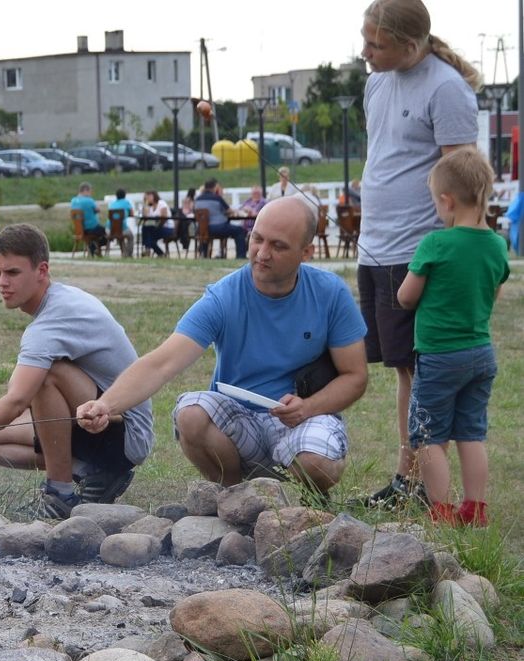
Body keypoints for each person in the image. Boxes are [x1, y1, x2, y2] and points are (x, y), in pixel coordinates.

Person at [77, 197, 368, 498]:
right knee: (190, 414)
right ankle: (235, 497)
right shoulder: (224, 296)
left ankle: (310, 497)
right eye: (257, 239)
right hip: (239, 419)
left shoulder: (330, 293)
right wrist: (105, 405)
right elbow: (162, 363)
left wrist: (308, 407)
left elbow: (355, 377)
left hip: (303, 415)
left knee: (316, 463)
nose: (262, 254)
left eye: (278, 246)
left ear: (306, 252)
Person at [0, 224, 154, 519]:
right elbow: (15, 399)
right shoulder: (58, 301)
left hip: (125, 435)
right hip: (94, 418)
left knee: (46, 377)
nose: (2, 282)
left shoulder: (52, 320)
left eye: (12, 273)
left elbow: (18, 400)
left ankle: (60, 494)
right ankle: (91, 472)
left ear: (42, 270)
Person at [356, 0, 480, 508]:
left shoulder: (446, 89)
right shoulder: (376, 82)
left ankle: (422, 487)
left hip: (420, 252)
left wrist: (458, 253)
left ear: (411, 45)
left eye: (375, 44)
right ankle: (408, 481)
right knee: (405, 369)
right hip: (376, 248)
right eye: (364, 38)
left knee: (429, 372)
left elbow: (464, 184)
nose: (364, 52)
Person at [395, 148, 509, 526]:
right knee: (471, 433)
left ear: (446, 200)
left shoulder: (435, 245)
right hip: (480, 354)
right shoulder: (496, 245)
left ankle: (441, 511)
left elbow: (406, 296)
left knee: (427, 436)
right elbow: (493, 292)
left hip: (440, 356)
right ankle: (475, 510)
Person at [194, 178, 247, 258]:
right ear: (215, 187)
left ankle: (204, 255)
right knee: (239, 230)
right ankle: (241, 256)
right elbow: (229, 211)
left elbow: (196, 212)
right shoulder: (217, 198)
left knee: (205, 233)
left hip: (203, 230)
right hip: (219, 228)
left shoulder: (197, 200)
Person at [70, 183, 106, 255]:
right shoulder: (89, 200)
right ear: (85, 190)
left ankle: (92, 246)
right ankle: (96, 248)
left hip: (79, 230)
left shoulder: (73, 201)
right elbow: (97, 210)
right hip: (91, 228)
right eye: (90, 191)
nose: (90, 193)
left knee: (100, 232)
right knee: (105, 232)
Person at [138, 190, 173, 257]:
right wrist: (145, 204)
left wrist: (157, 226)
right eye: (146, 197)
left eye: (149, 196)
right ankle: (160, 254)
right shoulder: (149, 207)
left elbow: (164, 217)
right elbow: (146, 218)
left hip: (166, 227)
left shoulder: (161, 203)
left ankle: (150, 250)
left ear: (154, 196)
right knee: (146, 230)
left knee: (147, 234)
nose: (147, 198)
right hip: (154, 228)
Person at [105, 188, 135, 257]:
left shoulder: (112, 204)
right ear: (125, 195)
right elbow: (132, 214)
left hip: (109, 229)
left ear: (116, 196)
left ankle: (123, 253)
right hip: (121, 229)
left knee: (120, 236)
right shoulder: (126, 202)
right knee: (131, 237)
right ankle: (128, 254)